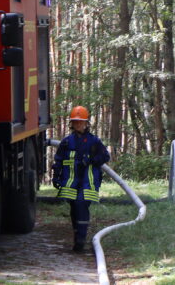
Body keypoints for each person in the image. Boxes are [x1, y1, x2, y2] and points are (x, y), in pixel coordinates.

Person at [52, 106, 111, 252]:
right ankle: (77, 235)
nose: (78, 124)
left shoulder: (94, 141)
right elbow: (58, 160)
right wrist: (56, 176)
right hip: (70, 182)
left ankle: (81, 239)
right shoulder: (66, 142)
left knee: (81, 204)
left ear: (86, 123)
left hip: (88, 181)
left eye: (81, 122)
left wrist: (90, 160)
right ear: (72, 123)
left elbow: (105, 156)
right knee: (74, 207)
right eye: (76, 122)